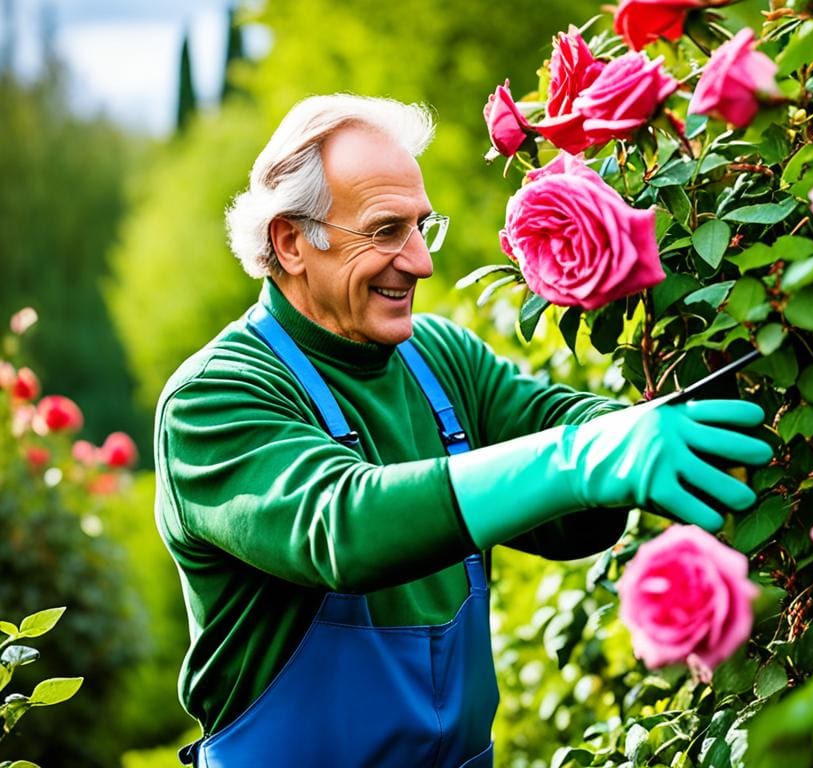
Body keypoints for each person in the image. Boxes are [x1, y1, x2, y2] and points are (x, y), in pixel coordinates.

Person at [156, 94, 773, 768]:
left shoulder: (437, 359)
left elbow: (561, 458)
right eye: (387, 231)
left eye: (422, 227)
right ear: (292, 242)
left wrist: (633, 434)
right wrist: (579, 460)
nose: (420, 262)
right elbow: (345, 528)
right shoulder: (214, 398)